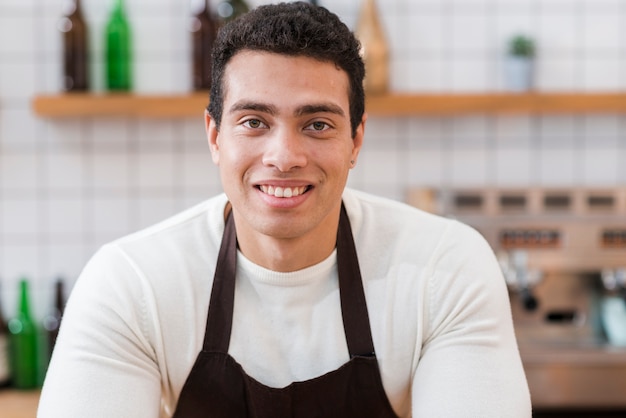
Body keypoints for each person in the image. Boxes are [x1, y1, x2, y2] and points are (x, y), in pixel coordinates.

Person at [38, 2, 531, 417]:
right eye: (254, 121)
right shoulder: (131, 284)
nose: (284, 156)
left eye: (317, 124)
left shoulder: (444, 269)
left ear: (356, 140)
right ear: (214, 136)